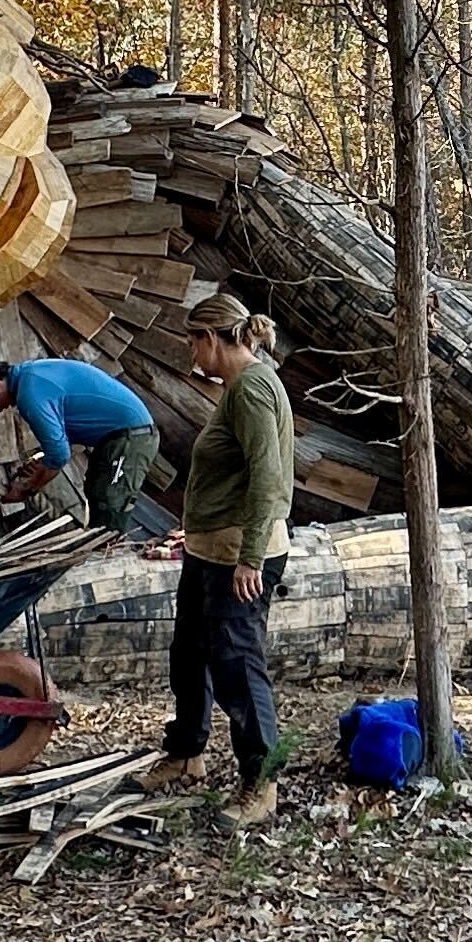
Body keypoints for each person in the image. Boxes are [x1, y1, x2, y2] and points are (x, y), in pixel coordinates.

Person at [154, 296, 293, 827]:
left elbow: (269, 477)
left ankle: (261, 782)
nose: (192, 351)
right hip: (209, 548)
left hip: (240, 555)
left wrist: (251, 557)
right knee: (189, 654)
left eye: (193, 340)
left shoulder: (254, 390)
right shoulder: (237, 387)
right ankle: (187, 752)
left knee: (237, 666)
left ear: (212, 339)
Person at [0, 355, 162, 533]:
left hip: (132, 435)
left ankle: (110, 554)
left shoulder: (29, 393)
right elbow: (58, 443)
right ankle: (102, 549)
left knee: (110, 499)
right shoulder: (30, 375)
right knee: (96, 489)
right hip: (117, 436)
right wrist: (38, 466)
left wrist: (27, 489)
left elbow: (59, 454)